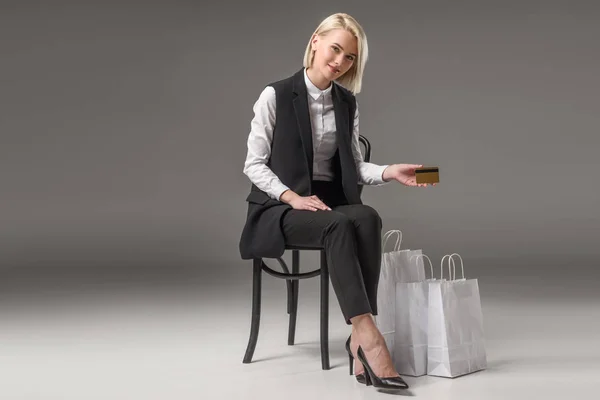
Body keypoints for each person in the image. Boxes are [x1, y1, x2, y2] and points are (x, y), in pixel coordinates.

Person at [239, 12, 435, 390]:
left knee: (367, 217)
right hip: (279, 208)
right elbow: (253, 164)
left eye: (349, 58)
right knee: (341, 223)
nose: (340, 62)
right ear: (315, 41)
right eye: (336, 49)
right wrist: (292, 197)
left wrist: (389, 171)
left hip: (327, 205)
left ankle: (359, 336)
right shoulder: (275, 95)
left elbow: (354, 166)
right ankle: (368, 337)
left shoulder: (346, 103)